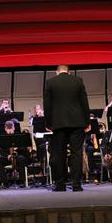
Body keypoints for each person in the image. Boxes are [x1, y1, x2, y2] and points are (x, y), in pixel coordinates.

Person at [44, 64, 90, 192]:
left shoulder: (50, 82)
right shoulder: (78, 81)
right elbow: (84, 102)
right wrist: (87, 121)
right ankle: (76, 184)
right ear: (69, 72)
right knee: (77, 153)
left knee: (59, 154)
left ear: (57, 72)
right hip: (77, 122)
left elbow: (47, 104)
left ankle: (60, 185)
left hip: (58, 123)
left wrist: (48, 123)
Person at [0, 120, 30, 188]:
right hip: (8, 157)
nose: (10, 131)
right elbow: (1, 150)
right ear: (5, 129)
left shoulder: (19, 136)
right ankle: (5, 182)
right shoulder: (3, 137)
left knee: (21, 159)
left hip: (17, 157)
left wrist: (18, 148)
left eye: (11, 128)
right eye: (8, 129)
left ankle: (22, 181)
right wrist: (7, 155)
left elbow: (25, 149)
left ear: (14, 128)